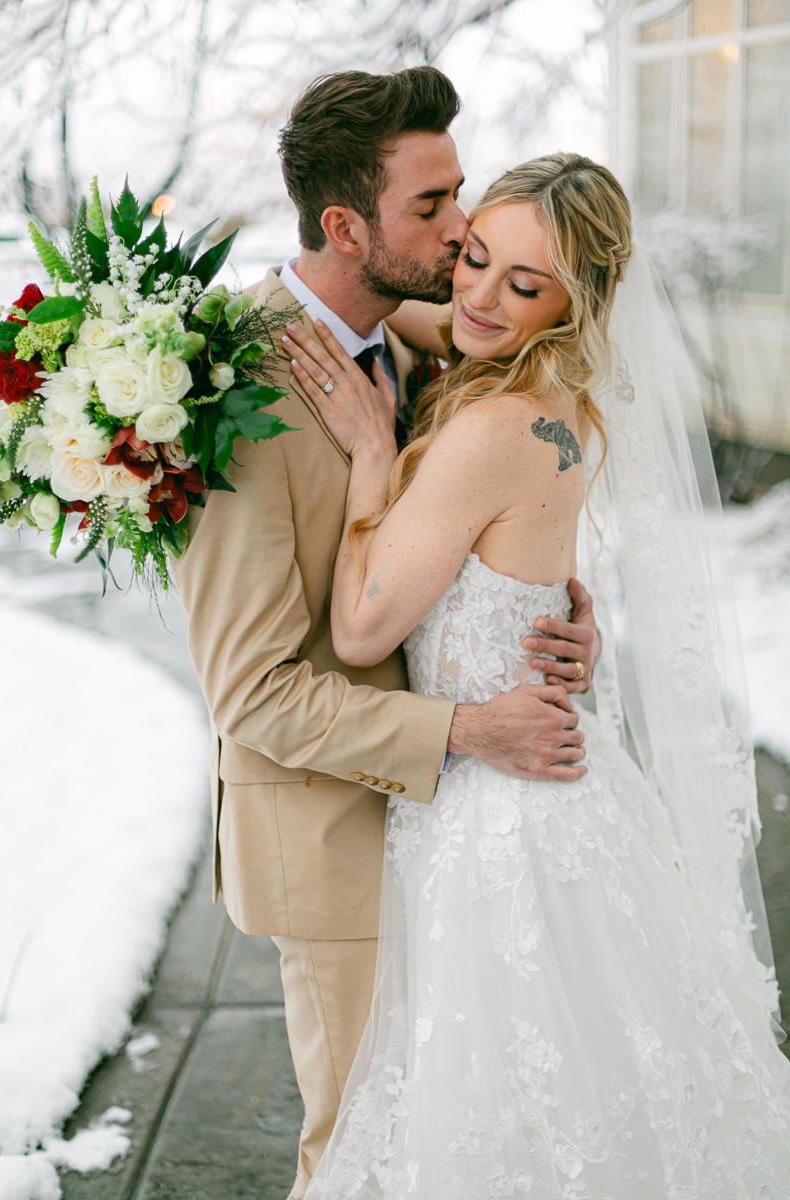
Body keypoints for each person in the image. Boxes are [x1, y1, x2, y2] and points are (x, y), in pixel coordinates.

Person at [284, 153, 790, 1197]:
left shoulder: (489, 427)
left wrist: (374, 465)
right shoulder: (563, 398)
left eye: (523, 285)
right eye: (472, 258)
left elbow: (365, 624)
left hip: (498, 823)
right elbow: (408, 323)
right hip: (565, 793)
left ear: (578, 301)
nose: (474, 296)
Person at [172, 70, 601, 1199]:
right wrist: (470, 726)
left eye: (457, 193)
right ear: (344, 225)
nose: (460, 229)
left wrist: (548, 621)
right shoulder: (241, 393)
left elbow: (472, 533)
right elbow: (253, 694)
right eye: (432, 208)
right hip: (337, 852)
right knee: (365, 1158)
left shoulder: (412, 345)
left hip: (457, 837)